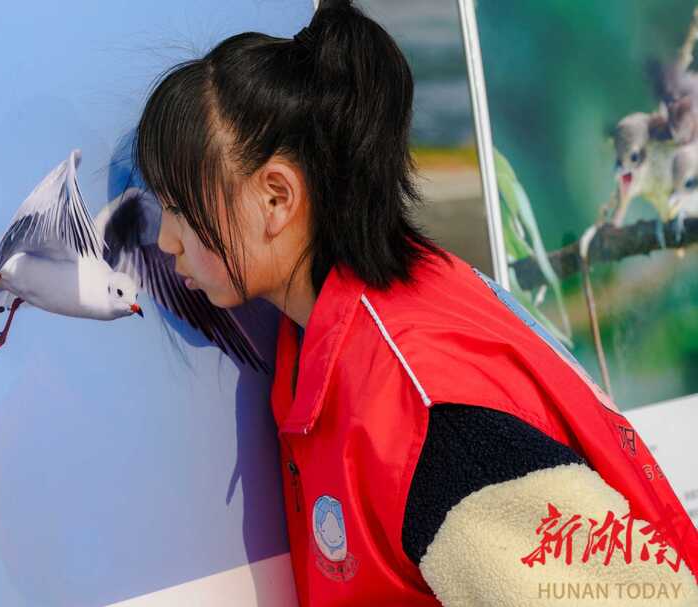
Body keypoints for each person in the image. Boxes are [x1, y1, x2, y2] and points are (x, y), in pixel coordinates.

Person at [132, 0, 698, 604]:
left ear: (277, 198)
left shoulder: (431, 424)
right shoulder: (363, 316)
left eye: (180, 208)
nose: (167, 241)